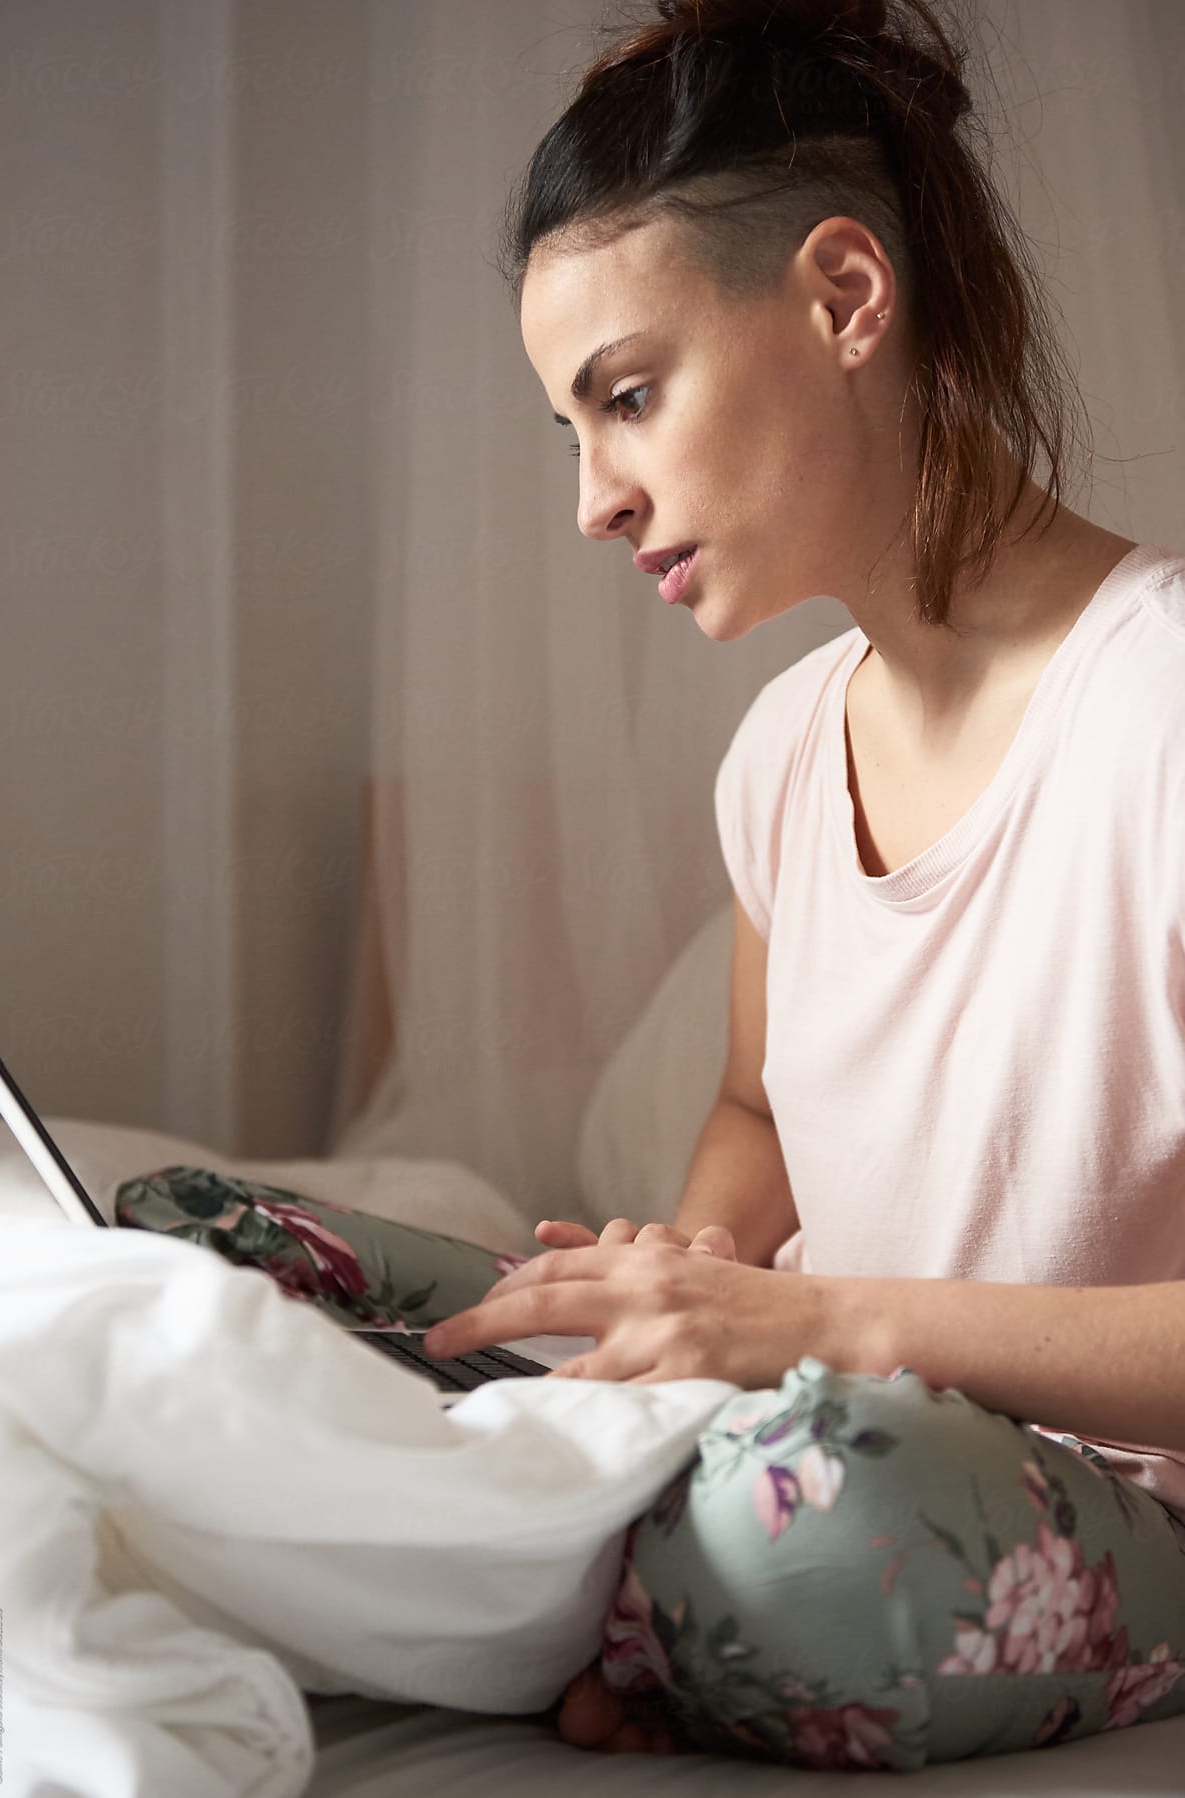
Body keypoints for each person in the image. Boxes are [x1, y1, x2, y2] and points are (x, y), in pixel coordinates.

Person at [407, 0, 1185, 1769]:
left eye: (626, 398)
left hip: (1083, 1496)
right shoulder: (774, 754)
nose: (595, 500)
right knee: (260, 1270)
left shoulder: (1163, 705)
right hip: (821, 1411)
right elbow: (758, 1107)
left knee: (804, 1529)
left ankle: (618, 1593)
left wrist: (812, 1322)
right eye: (570, 430)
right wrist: (686, 1278)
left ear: (843, 298)